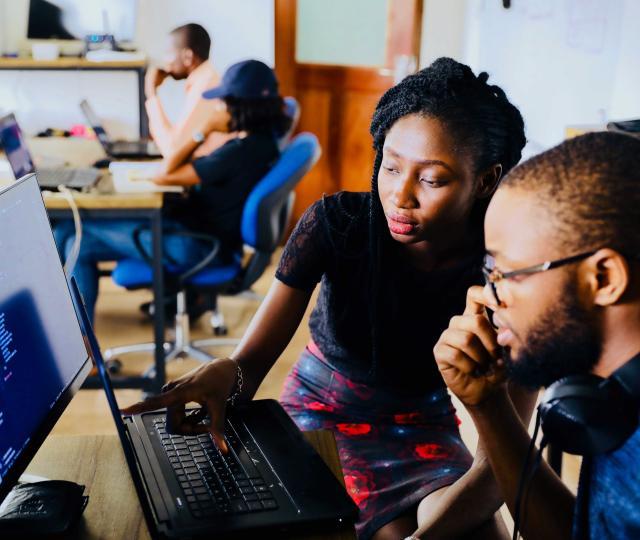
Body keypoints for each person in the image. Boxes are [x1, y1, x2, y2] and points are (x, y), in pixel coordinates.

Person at [124, 57, 529, 539]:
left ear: (485, 180)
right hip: (319, 415)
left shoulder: (508, 273)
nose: (400, 195)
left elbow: (503, 463)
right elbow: (249, 364)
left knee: (482, 534)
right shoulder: (337, 225)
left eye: (431, 179)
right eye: (391, 166)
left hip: (422, 429)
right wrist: (225, 375)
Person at [433, 132, 640, 539]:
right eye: (487, 272)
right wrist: (488, 405)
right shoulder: (611, 396)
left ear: (603, 278)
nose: (485, 297)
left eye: (505, 274)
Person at [55, 60, 291, 322]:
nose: (217, 107)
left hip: (196, 246)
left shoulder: (238, 153)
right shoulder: (263, 144)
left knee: (74, 237)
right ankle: (75, 334)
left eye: (222, 101)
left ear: (239, 106)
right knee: (68, 233)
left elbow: (165, 173)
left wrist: (203, 130)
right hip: (204, 237)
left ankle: (80, 343)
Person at [145, 23, 232, 163]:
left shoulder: (205, 88)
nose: (165, 62)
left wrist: (151, 93)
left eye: (168, 53)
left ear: (188, 56)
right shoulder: (205, 80)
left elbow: (172, 151)